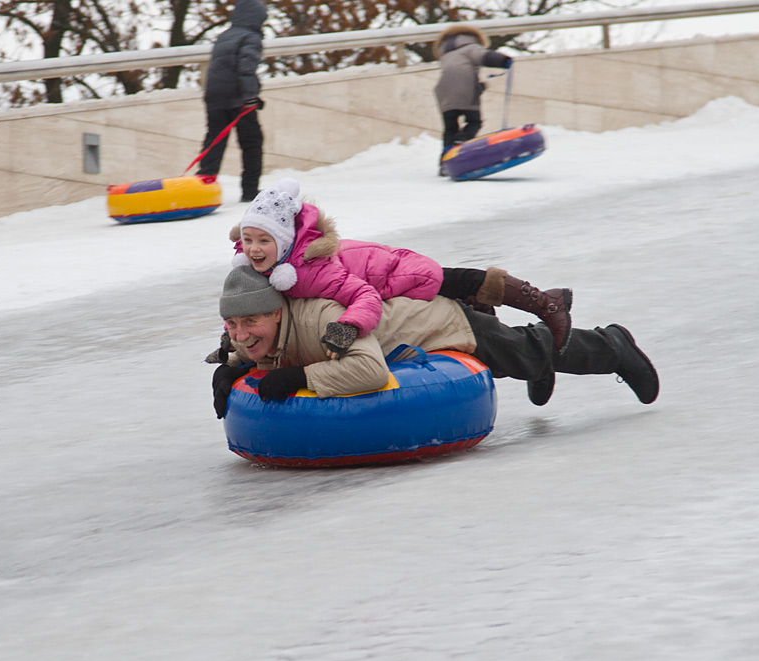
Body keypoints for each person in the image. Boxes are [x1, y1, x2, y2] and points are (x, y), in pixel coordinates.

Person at [209, 266, 659, 418]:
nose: (242, 334)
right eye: (232, 326)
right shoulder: (258, 328)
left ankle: (613, 346)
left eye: (251, 322)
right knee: (518, 357)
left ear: (276, 310)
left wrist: (299, 377)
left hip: (442, 324)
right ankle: (539, 363)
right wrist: (231, 366)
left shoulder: (322, 319)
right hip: (412, 337)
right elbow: (248, 343)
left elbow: (368, 371)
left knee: (524, 353)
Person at [219, 177, 571, 361]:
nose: (252, 249)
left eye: (263, 241)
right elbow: (246, 306)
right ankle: (501, 319)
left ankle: (545, 303)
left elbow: (365, 295)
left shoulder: (312, 270)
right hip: (367, 262)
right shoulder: (259, 264)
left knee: (449, 283)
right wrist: (229, 339)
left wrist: (347, 328)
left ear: (282, 243)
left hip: (391, 272)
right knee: (458, 294)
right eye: (248, 239)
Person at [196, 0, 268, 202]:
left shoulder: (224, 36)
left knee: (214, 143)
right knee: (252, 143)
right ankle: (250, 191)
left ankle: (201, 190)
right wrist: (251, 97)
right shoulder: (251, 37)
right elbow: (246, 69)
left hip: (214, 97)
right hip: (238, 98)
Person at [433, 24, 513, 176]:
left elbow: (456, 74)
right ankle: (461, 142)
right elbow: (484, 56)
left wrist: (480, 86)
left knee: (450, 129)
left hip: (443, 93)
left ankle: (445, 164)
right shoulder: (469, 48)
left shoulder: (446, 56)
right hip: (465, 89)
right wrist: (503, 61)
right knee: (474, 121)